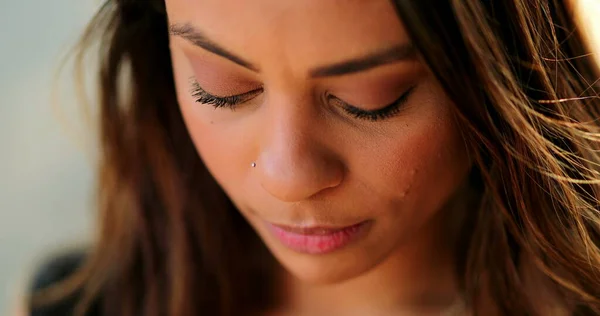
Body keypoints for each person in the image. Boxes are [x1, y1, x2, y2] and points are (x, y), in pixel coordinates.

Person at [25, 0, 600, 315]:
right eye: (221, 87)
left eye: (369, 102)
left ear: (499, 75)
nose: (287, 176)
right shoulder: (79, 305)